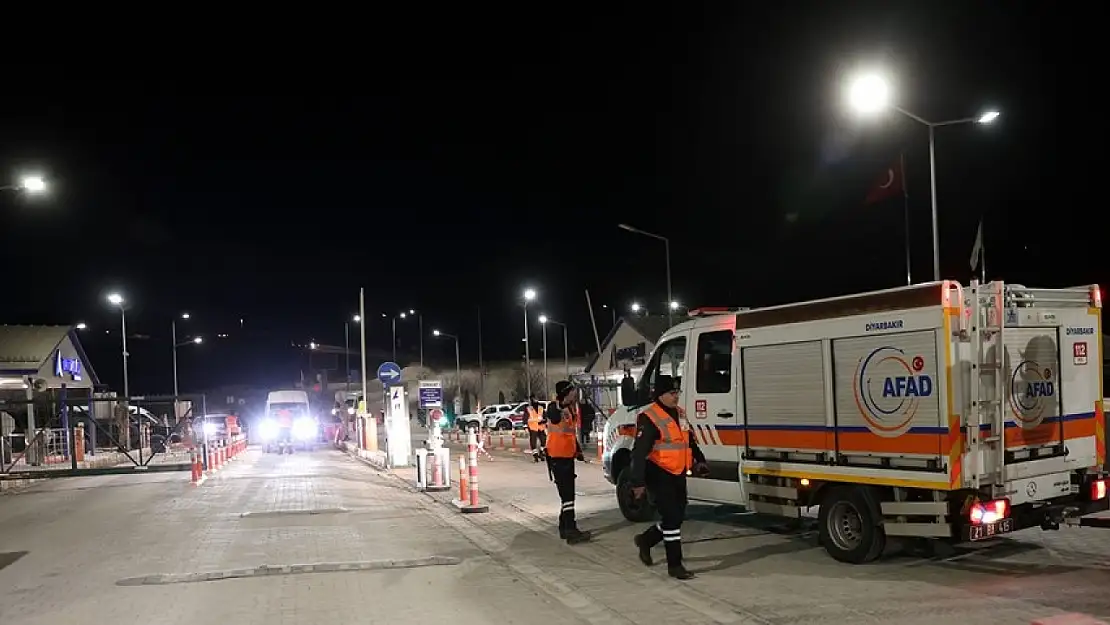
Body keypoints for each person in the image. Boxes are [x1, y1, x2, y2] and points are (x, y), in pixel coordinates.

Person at [629, 374, 708, 580]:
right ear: (660, 394)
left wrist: (699, 460)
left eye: (677, 392)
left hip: (678, 472)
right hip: (659, 472)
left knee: (677, 516)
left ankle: (646, 540)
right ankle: (675, 565)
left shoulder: (680, 414)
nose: (676, 396)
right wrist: (637, 483)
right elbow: (638, 453)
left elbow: (689, 442)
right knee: (672, 517)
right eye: (672, 393)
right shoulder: (649, 417)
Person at [544, 380, 592, 544]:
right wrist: (560, 403)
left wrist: (578, 451)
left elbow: (570, 434)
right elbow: (554, 416)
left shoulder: (571, 409)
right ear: (565, 393)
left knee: (567, 496)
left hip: (567, 456)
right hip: (558, 458)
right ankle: (570, 530)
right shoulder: (554, 407)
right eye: (572, 392)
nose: (575, 394)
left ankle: (564, 527)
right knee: (568, 496)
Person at [526, 395, 547, 463]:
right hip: (533, 427)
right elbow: (525, 418)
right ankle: (535, 455)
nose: (536, 400)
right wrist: (525, 427)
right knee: (533, 442)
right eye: (534, 399)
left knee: (544, 440)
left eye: (536, 399)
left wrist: (544, 421)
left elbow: (545, 416)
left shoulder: (541, 408)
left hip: (541, 427)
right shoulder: (528, 408)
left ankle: (541, 452)